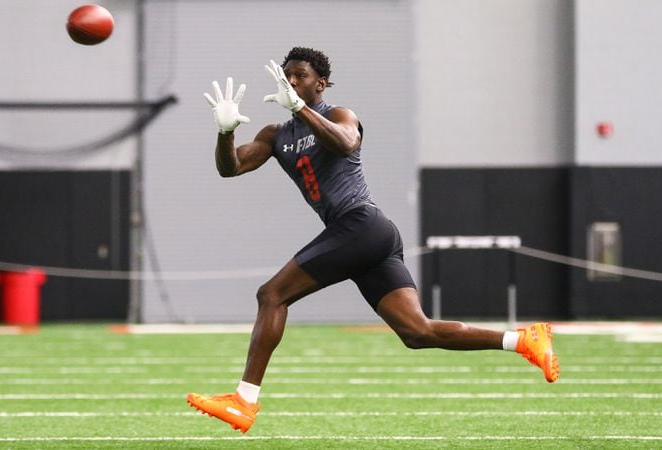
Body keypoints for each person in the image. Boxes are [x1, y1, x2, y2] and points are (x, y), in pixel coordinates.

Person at [187, 47, 559, 433]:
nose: (292, 82)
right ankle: (523, 341)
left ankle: (244, 400)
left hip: (361, 224)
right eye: (287, 77)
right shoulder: (275, 135)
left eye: (299, 76)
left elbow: (346, 143)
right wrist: (225, 132)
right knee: (417, 332)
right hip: (363, 235)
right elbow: (231, 168)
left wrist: (299, 108)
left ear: (322, 83)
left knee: (271, 295)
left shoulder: (339, 114)